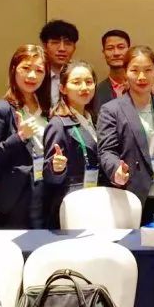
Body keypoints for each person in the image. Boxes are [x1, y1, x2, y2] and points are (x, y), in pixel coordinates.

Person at [99, 46, 154, 224]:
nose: (142, 77)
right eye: (135, 70)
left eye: (148, 70)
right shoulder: (111, 110)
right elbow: (106, 151)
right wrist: (116, 169)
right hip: (131, 195)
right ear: (125, 73)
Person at [0, 44, 52, 228]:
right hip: (16, 196)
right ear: (14, 69)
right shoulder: (1, 109)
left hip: (46, 190)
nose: (32, 76)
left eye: (39, 71)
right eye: (26, 68)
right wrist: (19, 137)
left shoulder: (47, 109)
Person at [43, 60, 100, 228]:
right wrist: (56, 168)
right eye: (76, 82)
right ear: (63, 88)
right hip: (72, 202)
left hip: (97, 197)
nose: (84, 87)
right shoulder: (58, 124)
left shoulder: (95, 118)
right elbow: (49, 176)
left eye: (89, 82)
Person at [91, 29, 131, 115]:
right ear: (104, 53)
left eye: (121, 47)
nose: (116, 53)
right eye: (110, 48)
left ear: (129, 50)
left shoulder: (144, 86)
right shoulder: (95, 92)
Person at [39, 19, 79, 105]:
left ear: (74, 47)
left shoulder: (81, 77)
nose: (62, 49)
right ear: (45, 46)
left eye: (68, 43)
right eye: (55, 42)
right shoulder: (37, 76)